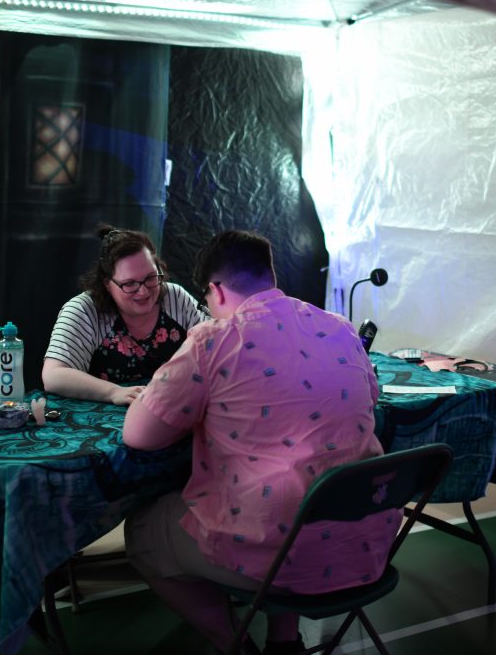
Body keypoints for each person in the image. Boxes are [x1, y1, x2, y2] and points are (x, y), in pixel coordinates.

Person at [121, 230, 397, 654]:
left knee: (144, 533)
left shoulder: (214, 339)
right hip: (367, 545)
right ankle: (284, 643)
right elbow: (369, 399)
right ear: (269, 275)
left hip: (281, 555)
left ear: (215, 290)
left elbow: (138, 435)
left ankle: (235, 645)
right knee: (292, 480)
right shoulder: (341, 329)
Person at [42, 226, 209, 405]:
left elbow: (217, 345)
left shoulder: (175, 298)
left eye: (151, 277)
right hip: (99, 414)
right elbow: (54, 376)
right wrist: (114, 392)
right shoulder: (84, 310)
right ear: (107, 284)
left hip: (170, 408)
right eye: (129, 284)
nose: (143, 291)